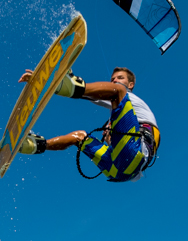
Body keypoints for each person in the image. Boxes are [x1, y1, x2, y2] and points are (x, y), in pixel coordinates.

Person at [17, 67, 161, 182]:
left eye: (120, 78)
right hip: (118, 171)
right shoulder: (120, 115)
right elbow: (93, 94)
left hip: (133, 154)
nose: (115, 80)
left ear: (131, 84)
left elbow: (92, 93)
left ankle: (72, 84)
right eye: (112, 79)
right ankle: (34, 145)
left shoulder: (131, 98)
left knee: (118, 92)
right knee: (79, 137)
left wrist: (50, 83)